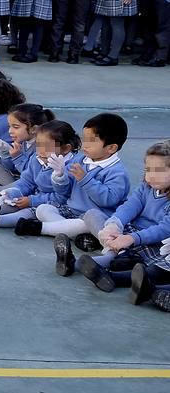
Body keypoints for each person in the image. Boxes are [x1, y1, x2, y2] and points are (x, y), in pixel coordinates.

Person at [59, 141, 170, 293]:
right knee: (93, 215)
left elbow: (164, 229)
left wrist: (131, 239)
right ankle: (113, 250)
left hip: (153, 241)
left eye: (159, 171)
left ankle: (77, 265)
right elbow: (130, 206)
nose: (151, 176)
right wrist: (114, 224)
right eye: (148, 170)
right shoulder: (147, 187)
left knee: (145, 262)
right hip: (130, 232)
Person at [16, 112, 131, 242]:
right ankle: (77, 236)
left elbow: (108, 200)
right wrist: (59, 176)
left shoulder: (117, 172)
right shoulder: (80, 159)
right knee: (43, 209)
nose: (85, 144)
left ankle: (41, 228)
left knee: (84, 222)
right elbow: (64, 192)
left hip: (95, 216)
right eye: (85, 139)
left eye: (91, 141)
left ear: (111, 148)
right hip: (70, 211)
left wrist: (85, 179)